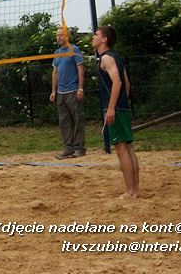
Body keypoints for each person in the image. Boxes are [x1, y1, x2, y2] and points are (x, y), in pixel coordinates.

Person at [91, 25, 139, 199]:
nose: (93, 37)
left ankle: (130, 191)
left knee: (121, 149)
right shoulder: (116, 58)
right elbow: (127, 84)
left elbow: (118, 82)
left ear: (104, 39)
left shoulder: (106, 59)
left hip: (115, 108)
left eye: (96, 35)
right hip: (122, 107)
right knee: (128, 148)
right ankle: (135, 190)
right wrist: (121, 103)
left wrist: (112, 107)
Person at [49, 27, 86, 159]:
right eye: (57, 35)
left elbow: (80, 68)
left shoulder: (74, 49)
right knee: (64, 121)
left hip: (72, 90)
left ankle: (79, 148)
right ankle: (68, 148)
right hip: (61, 92)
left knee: (77, 119)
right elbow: (55, 73)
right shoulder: (57, 52)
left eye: (61, 35)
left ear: (67, 36)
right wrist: (53, 91)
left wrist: (80, 88)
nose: (58, 37)